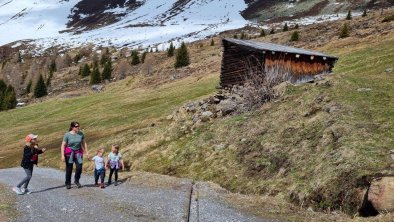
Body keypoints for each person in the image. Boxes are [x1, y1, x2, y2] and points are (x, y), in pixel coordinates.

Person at [60, 121, 89, 189]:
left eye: (78, 126)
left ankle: (76, 180)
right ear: (72, 127)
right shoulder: (67, 135)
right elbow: (63, 145)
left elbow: (84, 143)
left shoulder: (81, 134)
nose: (78, 127)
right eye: (76, 126)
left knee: (79, 167)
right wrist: (62, 155)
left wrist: (87, 152)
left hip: (78, 152)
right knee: (69, 168)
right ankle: (68, 183)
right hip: (69, 153)